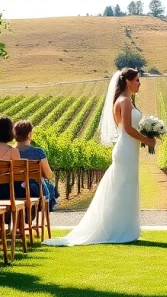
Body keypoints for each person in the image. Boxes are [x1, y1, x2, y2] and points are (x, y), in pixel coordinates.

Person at [44, 68, 156, 246]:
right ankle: (120, 229)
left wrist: (144, 136)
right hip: (125, 149)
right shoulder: (125, 101)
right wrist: (147, 140)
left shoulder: (127, 101)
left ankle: (125, 227)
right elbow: (127, 128)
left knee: (127, 188)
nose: (139, 83)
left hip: (129, 149)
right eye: (137, 80)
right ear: (127, 81)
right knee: (123, 188)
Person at [13, 120, 58, 212]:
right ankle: (36, 211)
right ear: (29, 134)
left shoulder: (9, 152)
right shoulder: (38, 152)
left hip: (14, 190)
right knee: (51, 189)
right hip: (34, 192)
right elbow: (49, 175)